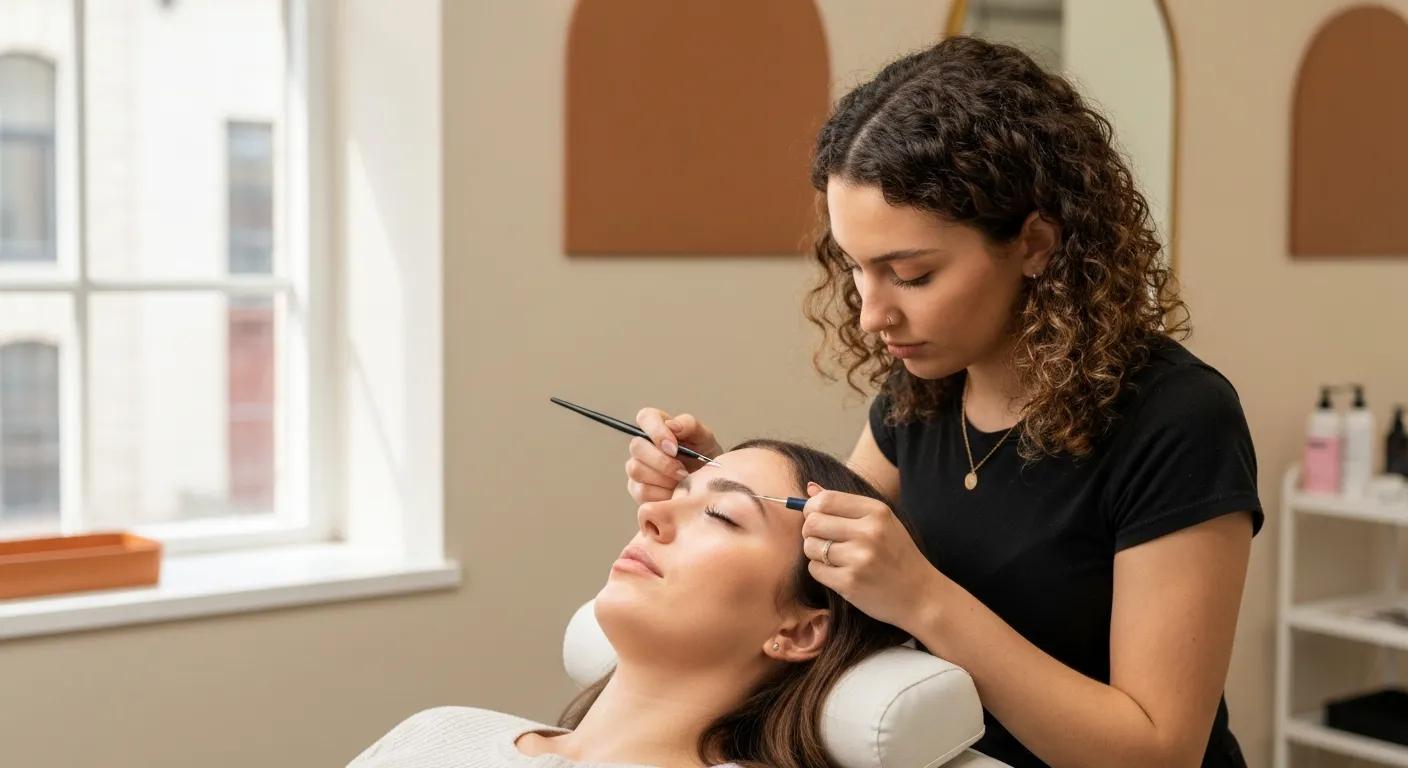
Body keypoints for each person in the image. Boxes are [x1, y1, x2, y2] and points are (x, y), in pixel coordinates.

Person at [626, 37, 1264, 768]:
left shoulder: (1178, 421)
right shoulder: (923, 392)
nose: (871, 315)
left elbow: (1158, 751)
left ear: (1036, 243)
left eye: (912, 275)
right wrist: (712, 484)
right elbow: (820, 550)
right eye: (856, 269)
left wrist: (926, 600)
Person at [350, 440, 920, 768]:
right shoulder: (440, 733)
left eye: (722, 515)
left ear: (797, 632)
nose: (651, 514)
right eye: (677, 496)